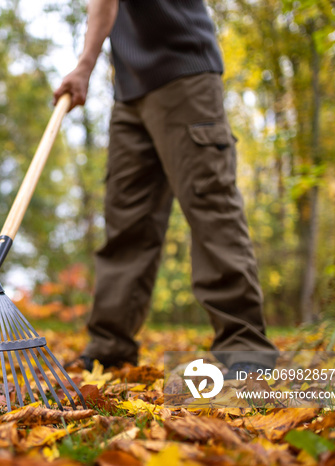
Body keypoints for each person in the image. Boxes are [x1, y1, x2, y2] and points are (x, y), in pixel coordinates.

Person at [54, 0, 278, 378]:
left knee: (210, 207)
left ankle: (246, 351)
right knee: (127, 222)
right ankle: (110, 348)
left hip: (184, 73)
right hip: (129, 93)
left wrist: (84, 66)